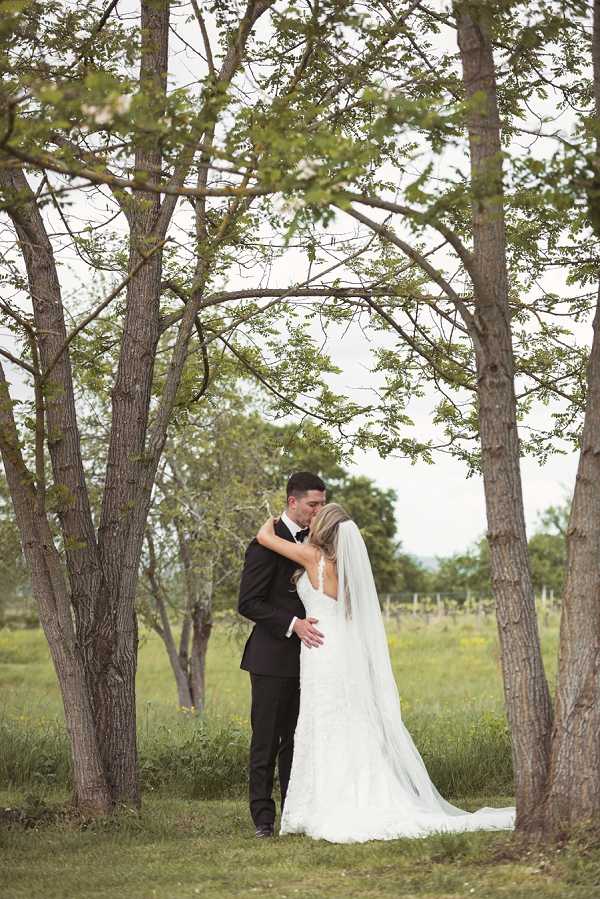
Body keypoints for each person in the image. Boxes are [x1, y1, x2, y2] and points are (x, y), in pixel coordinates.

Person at [255, 501, 516, 843]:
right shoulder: (342, 568)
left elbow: (264, 537)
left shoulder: (313, 559)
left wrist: (273, 519)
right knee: (343, 722)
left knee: (323, 723)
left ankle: (326, 804)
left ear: (325, 530)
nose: (312, 517)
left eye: (318, 516)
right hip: (340, 650)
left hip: (322, 651)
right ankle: (343, 796)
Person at [238, 472, 327, 838]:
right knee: (266, 739)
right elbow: (248, 602)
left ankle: (293, 810)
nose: (318, 511)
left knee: (296, 739)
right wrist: (293, 623)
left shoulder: (319, 539)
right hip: (271, 658)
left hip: (309, 661)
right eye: (313, 505)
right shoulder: (265, 543)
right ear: (293, 502)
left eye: (322, 504)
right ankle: (263, 819)